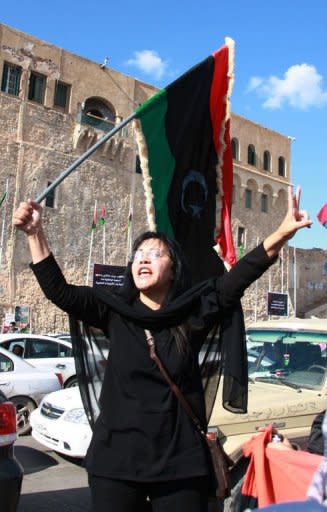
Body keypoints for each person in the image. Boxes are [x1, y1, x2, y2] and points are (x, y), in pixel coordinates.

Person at [13, 185, 312, 512]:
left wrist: (281, 234)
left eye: (156, 254)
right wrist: (34, 233)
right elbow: (59, 292)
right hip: (116, 463)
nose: (143, 259)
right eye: (138, 255)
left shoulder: (191, 314)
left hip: (180, 465)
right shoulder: (113, 311)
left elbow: (236, 280)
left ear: (173, 269)